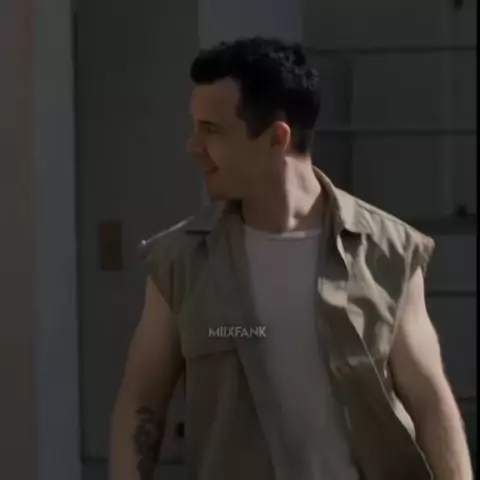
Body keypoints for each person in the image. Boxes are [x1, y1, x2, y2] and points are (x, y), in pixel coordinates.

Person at [109, 37, 473, 480]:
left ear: (276, 138)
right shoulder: (179, 261)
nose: (193, 146)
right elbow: (142, 403)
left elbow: (429, 400)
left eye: (212, 130)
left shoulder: (387, 251)